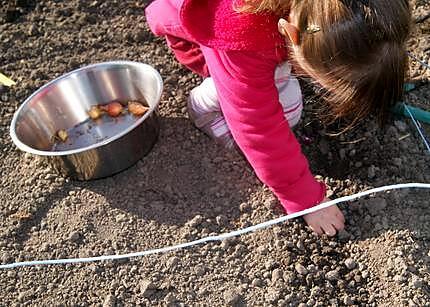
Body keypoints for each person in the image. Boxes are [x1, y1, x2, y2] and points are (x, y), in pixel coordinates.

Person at [144, 0, 411, 236]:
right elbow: (258, 128)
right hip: (198, 32)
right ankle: (205, 108)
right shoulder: (242, 37)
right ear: (292, 35)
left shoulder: (321, 20)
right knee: (288, 104)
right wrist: (306, 200)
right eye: (329, 82)